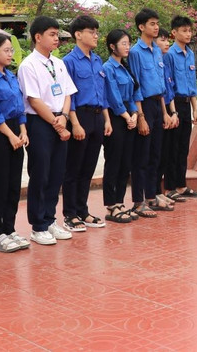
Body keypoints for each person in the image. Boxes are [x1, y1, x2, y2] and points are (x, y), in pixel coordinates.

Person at [18, 16, 77, 245]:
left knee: (57, 173)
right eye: (52, 35)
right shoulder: (28, 65)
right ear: (38, 37)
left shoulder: (58, 63)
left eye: (57, 34)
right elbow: (33, 100)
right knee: (40, 173)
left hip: (59, 120)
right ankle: (38, 225)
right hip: (40, 123)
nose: (56, 39)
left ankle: (51, 219)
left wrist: (63, 117)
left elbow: (67, 93)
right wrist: (56, 122)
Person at [0, 33, 30, 253]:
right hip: (0, 134)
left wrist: (23, 130)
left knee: (13, 185)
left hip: (16, 132)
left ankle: (9, 229)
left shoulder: (11, 76)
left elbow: (20, 106)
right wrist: (10, 135)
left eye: (11, 50)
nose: (11, 54)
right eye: (6, 50)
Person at [62, 15, 112, 232]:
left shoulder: (97, 60)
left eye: (96, 31)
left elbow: (103, 92)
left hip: (97, 117)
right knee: (73, 167)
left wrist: (107, 120)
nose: (95, 35)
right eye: (91, 31)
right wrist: (74, 123)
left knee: (89, 167)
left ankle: (83, 210)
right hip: (79, 116)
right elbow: (68, 95)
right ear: (78, 34)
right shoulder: (69, 62)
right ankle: (70, 214)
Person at [128, 9, 173, 217]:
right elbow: (135, 85)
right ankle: (138, 201)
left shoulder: (157, 50)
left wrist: (164, 112)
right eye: (152, 24)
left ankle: (151, 196)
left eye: (157, 23)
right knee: (142, 156)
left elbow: (162, 84)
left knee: (156, 154)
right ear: (141, 27)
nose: (156, 27)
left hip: (157, 104)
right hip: (144, 105)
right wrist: (141, 117)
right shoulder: (136, 52)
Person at [162, 15, 197, 201]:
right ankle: (170, 187)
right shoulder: (169, 55)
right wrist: (173, 111)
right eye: (184, 30)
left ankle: (181, 185)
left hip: (187, 104)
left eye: (189, 30)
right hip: (174, 104)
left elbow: (192, 83)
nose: (188, 34)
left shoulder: (191, 54)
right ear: (174, 33)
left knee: (184, 148)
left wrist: (195, 109)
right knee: (173, 147)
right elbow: (169, 85)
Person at [102, 29, 139, 223]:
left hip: (128, 117)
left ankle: (120, 201)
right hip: (117, 118)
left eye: (128, 43)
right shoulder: (108, 68)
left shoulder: (124, 67)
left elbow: (132, 94)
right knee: (114, 162)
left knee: (126, 163)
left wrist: (134, 114)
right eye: (123, 43)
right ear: (112, 46)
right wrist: (126, 116)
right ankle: (111, 205)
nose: (127, 47)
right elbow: (113, 97)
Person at [155, 28, 180, 207]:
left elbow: (169, 90)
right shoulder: (154, 60)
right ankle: (154, 192)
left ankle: (160, 192)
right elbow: (159, 92)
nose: (167, 43)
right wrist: (165, 114)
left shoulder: (165, 61)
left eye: (166, 40)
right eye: (162, 40)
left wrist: (173, 113)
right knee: (155, 156)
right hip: (157, 111)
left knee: (165, 154)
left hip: (168, 111)